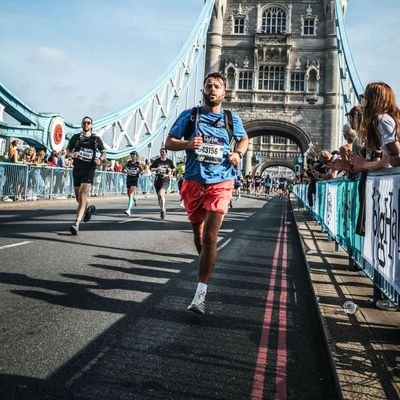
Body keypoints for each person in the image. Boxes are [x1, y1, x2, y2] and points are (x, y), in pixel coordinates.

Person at [165, 71, 249, 314]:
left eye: (217, 86)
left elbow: (244, 140)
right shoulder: (189, 116)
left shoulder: (232, 119)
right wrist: (188, 144)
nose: (212, 89)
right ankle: (207, 262)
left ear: (224, 92)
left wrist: (238, 154)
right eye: (208, 85)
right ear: (203, 90)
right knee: (199, 237)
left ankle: (200, 294)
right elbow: (169, 143)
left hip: (221, 182)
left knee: (211, 237)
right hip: (193, 182)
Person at [66, 116, 106, 235]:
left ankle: (76, 223)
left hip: (89, 170)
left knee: (83, 193)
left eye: (88, 123)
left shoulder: (95, 139)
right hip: (77, 169)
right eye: (84, 123)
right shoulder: (76, 137)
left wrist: (100, 159)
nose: (86, 124)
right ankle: (88, 209)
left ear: (91, 125)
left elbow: (103, 152)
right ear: (82, 125)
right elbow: (67, 150)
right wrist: (72, 154)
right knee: (79, 198)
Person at [350, 82, 400, 170]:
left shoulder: (382, 120)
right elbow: (387, 160)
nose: (362, 101)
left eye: (364, 97)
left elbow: (397, 157)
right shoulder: (387, 118)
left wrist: (363, 164)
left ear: (372, 100)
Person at [150, 148, 175, 219]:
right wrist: (156, 169)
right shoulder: (157, 161)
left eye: (163, 152)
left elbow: (174, 169)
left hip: (166, 180)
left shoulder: (169, 161)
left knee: (161, 194)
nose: (162, 153)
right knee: (159, 197)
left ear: (166, 153)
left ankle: (163, 209)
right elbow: (151, 168)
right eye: (161, 152)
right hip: (158, 180)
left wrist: (171, 170)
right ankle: (162, 209)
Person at [123, 151, 142, 216]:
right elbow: (122, 170)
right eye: (131, 155)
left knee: (131, 194)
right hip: (129, 179)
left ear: (136, 156)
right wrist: (126, 172)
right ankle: (135, 199)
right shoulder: (128, 163)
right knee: (129, 194)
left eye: (134, 155)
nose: (132, 156)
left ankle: (128, 210)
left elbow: (142, 170)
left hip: (135, 179)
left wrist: (138, 171)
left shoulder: (138, 163)